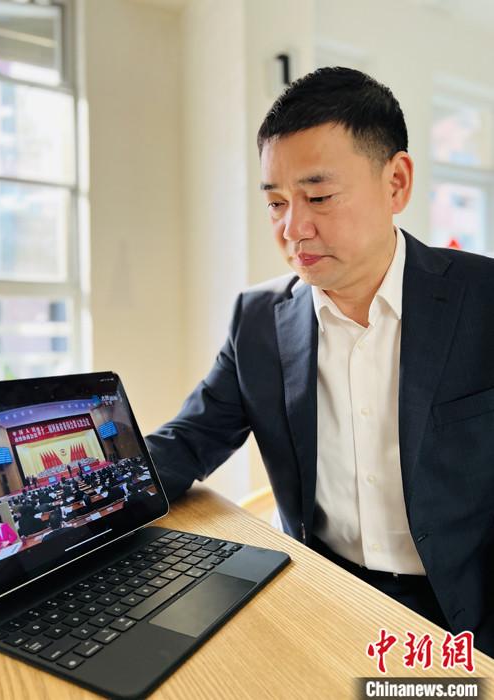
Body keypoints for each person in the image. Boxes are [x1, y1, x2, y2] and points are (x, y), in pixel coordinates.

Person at [145, 67, 494, 658]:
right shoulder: (258, 320)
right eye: (276, 202)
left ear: (396, 183)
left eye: (319, 197)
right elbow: (187, 441)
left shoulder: (483, 301)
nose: (293, 229)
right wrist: (81, 499)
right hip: (322, 595)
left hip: (464, 613)